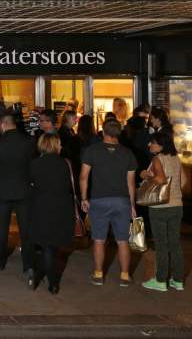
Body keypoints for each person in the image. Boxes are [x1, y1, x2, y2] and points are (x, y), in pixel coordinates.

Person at [79, 119, 137, 287]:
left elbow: (83, 177)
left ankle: (98, 274)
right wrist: (132, 205)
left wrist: (84, 198)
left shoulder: (92, 151)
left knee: (98, 239)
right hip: (122, 201)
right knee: (122, 240)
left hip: (99, 200)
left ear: (103, 131)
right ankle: (125, 276)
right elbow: (131, 183)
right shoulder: (128, 153)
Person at [0, 109, 37, 274]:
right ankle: (28, 263)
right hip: (23, 189)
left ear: (2, 124)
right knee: (27, 229)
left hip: (2, 190)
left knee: (1, 229)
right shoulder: (29, 141)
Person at [27, 134, 75, 294]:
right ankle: (52, 281)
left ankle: (41, 276)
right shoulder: (64, 164)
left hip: (40, 207)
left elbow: (29, 184)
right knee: (52, 245)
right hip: (61, 207)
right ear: (54, 145)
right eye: (59, 143)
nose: (61, 146)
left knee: (46, 245)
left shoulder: (35, 164)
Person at [140, 133, 185, 292]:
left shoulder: (157, 159)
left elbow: (160, 180)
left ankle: (160, 280)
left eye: (152, 142)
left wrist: (147, 176)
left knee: (161, 244)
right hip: (177, 205)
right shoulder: (175, 159)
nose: (149, 145)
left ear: (160, 145)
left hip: (160, 207)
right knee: (175, 243)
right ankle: (178, 280)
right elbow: (184, 182)